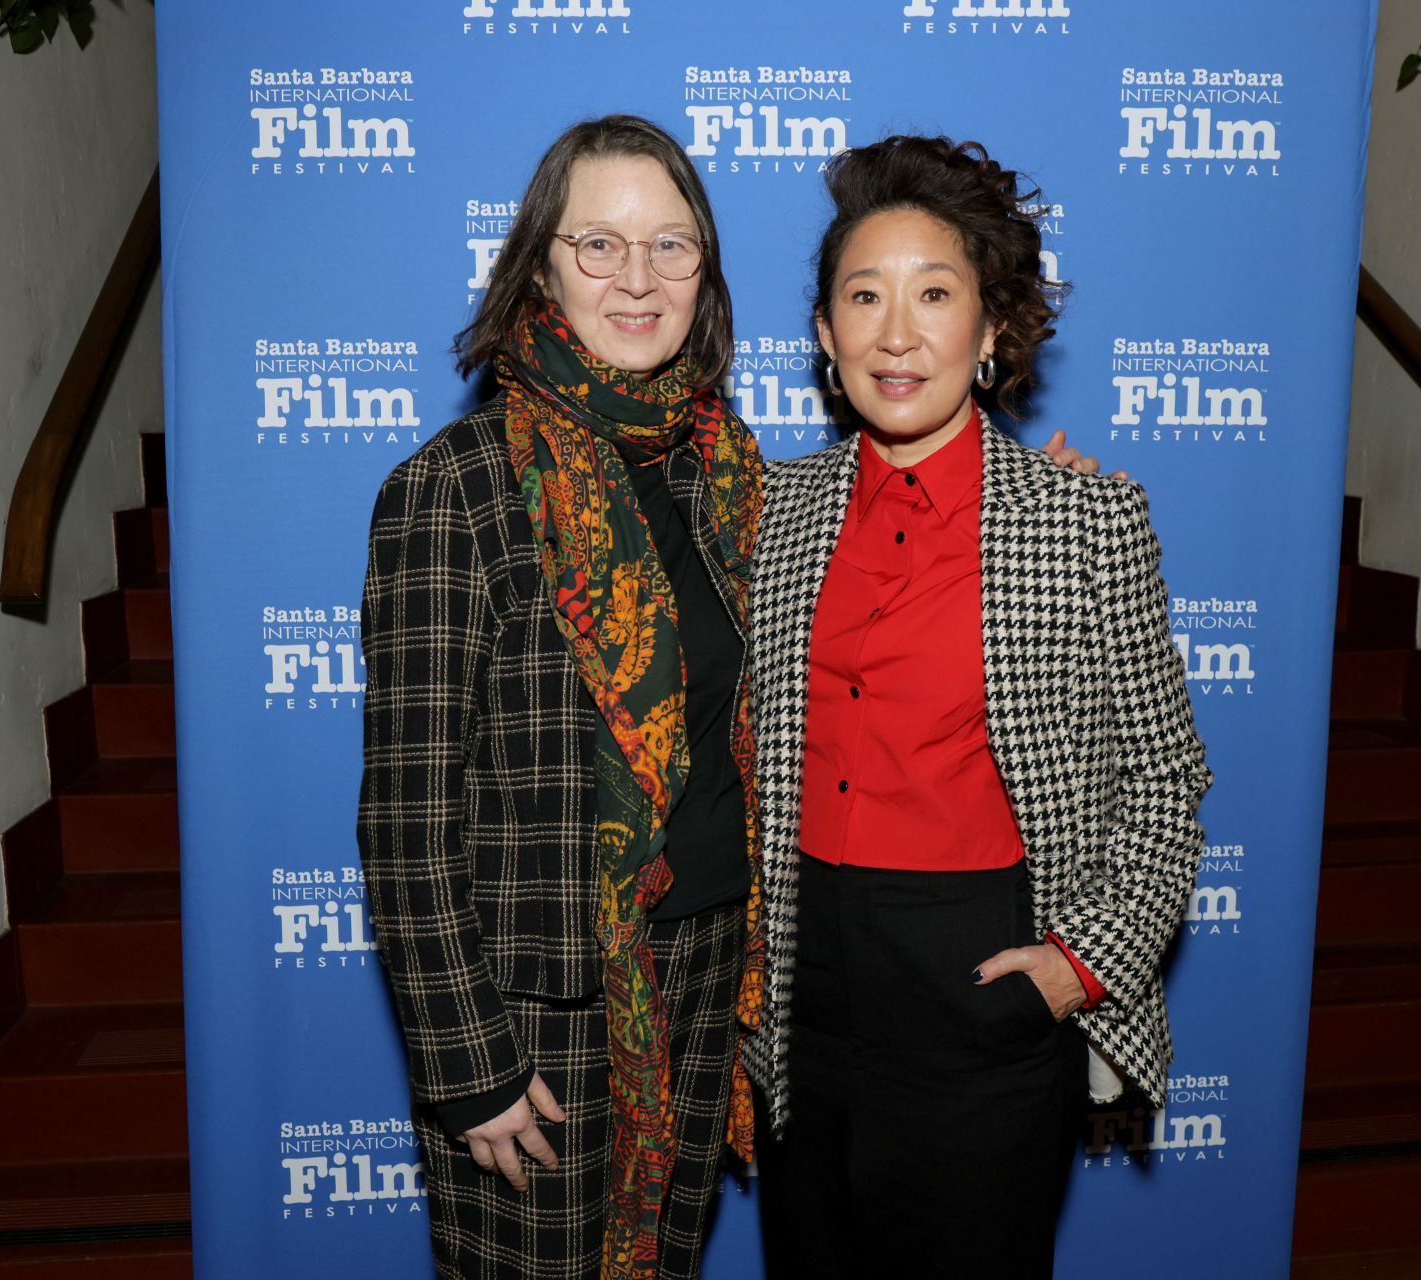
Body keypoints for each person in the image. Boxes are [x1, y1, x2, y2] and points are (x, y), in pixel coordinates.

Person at [358, 114, 1100, 1280]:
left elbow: (921, 540)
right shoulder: (454, 488)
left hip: (718, 987)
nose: (637, 278)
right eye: (598, 245)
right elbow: (406, 818)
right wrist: (469, 1061)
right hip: (541, 1014)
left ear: (706, 270)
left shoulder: (734, 472)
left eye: (671, 246)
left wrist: (1037, 507)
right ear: (538, 263)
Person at [743, 135, 1212, 1280]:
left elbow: (1166, 778)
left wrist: (1076, 966)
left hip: (986, 984)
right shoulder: (769, 510)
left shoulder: (1086, 521)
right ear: (823, 334)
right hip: (805, 996)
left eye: (934, 294)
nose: (896, 333)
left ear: (992, 330)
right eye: (864, 296)